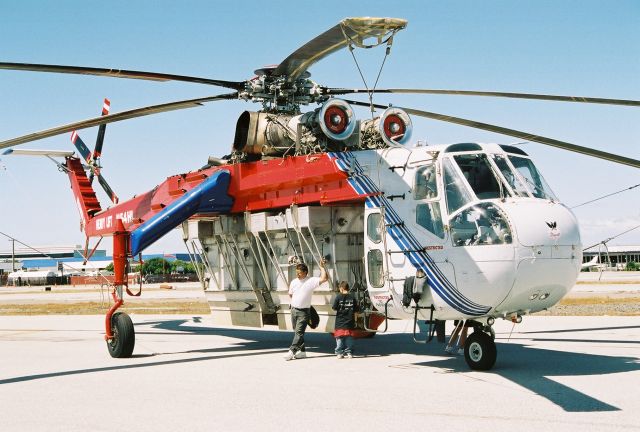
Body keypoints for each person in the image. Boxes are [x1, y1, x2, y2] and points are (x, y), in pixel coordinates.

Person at [284, 258, 328, 361]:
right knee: (297, 333)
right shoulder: (294, 282)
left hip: (304, 312)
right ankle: (302, 351)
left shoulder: (311, 281)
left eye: (299, 273)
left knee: (299, 333)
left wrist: (321, 267)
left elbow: (324, 278)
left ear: (305, 272)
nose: (297, 275)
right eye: (296, 273)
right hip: (294, 310)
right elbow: (290, 294)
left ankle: (292, 351)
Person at [332, 281, 360, 359]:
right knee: (349, 338)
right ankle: (349, 353)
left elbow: (334, 308)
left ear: (341, 288)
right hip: (350, 321)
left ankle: (339, 353)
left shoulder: (338, 297)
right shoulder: (353, 297)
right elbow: (356, 310)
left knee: (339, 338)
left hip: (340, 322)